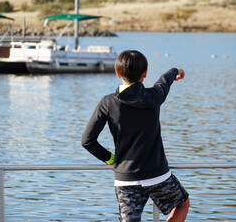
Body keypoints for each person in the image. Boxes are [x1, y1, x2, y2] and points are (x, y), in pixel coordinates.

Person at [81, 50, 189, 221]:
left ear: (118, 73)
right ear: (145, 74)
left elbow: (87, 141)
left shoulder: (107, 103)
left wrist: (111, 159)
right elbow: (164, 82)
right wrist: (175, 70)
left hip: (125, 179)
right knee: (182, 204)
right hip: (157, 174)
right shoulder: (153, 96)